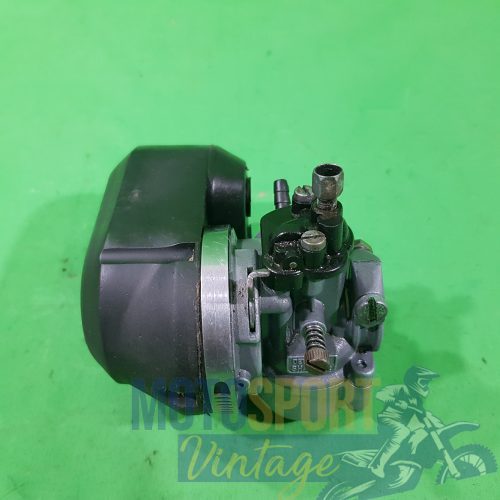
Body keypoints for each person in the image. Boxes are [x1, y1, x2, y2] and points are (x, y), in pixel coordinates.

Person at [369, 366, 440, 478]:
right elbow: (380, 395)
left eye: (427, 383)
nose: (426, 386)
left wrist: (438, 425)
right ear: (414, 380)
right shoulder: (400, 389)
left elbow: (423, 414)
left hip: (402, 425)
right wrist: (396, 402)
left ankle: (408, 460)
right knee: (403, 431)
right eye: (424, 382)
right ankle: (377, 465)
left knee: (421, 432)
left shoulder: (417, 400)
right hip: (386, 421)